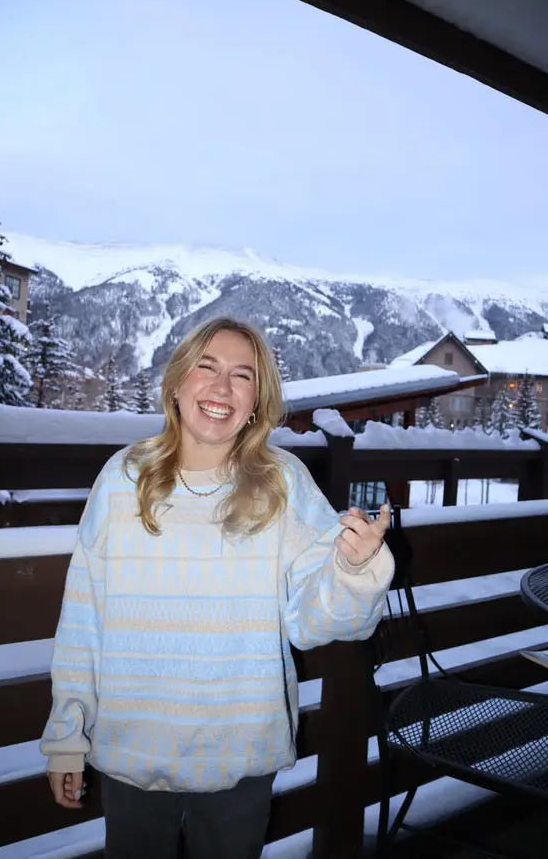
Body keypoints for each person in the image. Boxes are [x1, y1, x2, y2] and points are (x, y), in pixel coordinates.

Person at [41, 316, 394, 859]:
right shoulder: (123, 478)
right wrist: (68, 735)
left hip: (238, 757)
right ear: (177, 382)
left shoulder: (283, 482)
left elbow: (312, 622)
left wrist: (353, 568)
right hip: (134, 751)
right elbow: (83, 618)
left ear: (256, 400)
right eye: (206, 367)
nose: (222, 387)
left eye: (242, 375)